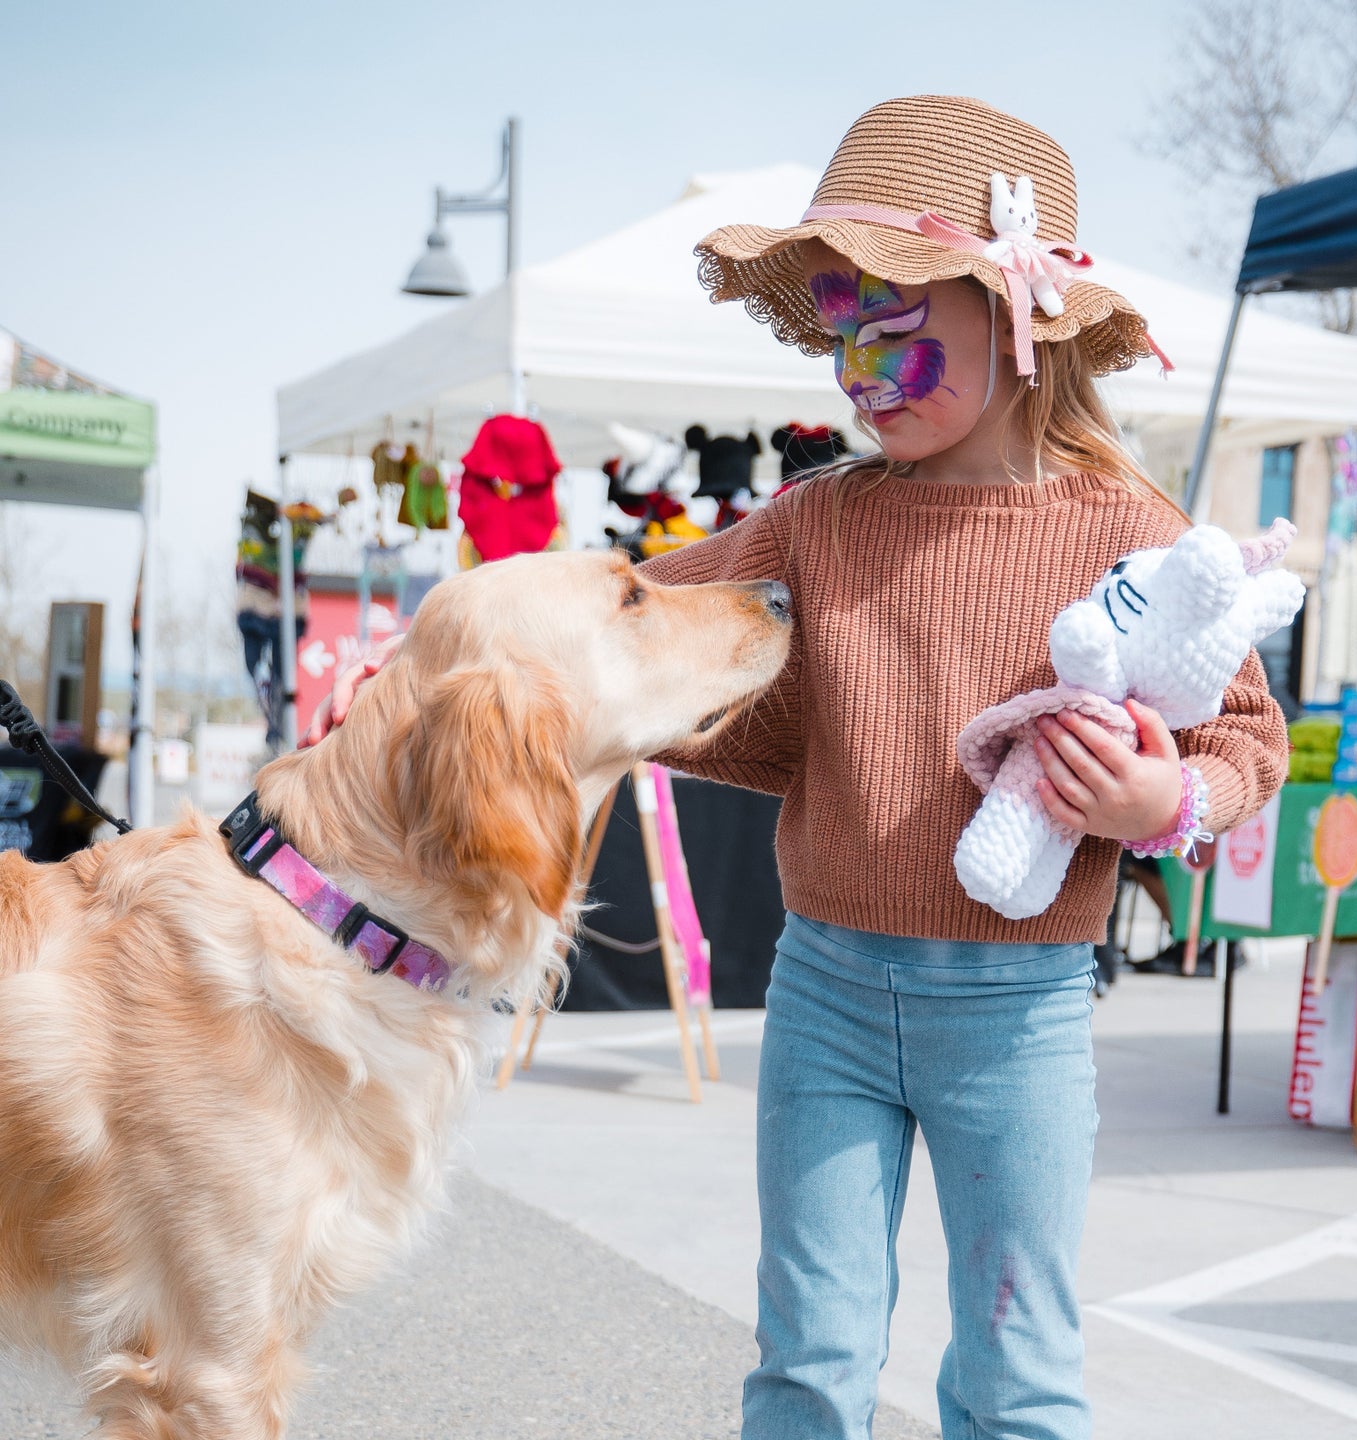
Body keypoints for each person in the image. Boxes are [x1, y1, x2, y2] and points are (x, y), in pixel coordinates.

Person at [306, 96, 1288, 1440]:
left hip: (1023, 1014)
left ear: (1016, 324)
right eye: (843, 332)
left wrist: (1165, 800)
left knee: (1019, 1376)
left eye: (894, 331)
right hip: (825, 990)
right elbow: (618, 630)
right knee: (808, 1363)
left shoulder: (1132, 527)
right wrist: (424, 692)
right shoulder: (812, 522)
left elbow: (1246, 736)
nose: (859, 368)